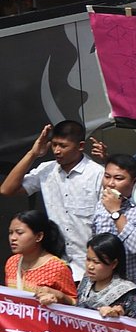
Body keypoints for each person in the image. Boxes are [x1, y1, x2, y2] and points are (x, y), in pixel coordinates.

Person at [2, 119, 103, 279]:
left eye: (63, 146)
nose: (56, 150)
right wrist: (33, 154)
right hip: (56, 267)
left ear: (81, 146)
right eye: (54, 144)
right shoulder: (46, 170)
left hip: (89, 270)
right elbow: (7, 189)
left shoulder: (97, 174)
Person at [91, 153, 136, 280]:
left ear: (134, 182)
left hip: (133, 284)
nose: (111, 184)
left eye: (118, 178)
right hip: (105, 283)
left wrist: (115, 212)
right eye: (107, 177)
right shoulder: (101, 205)